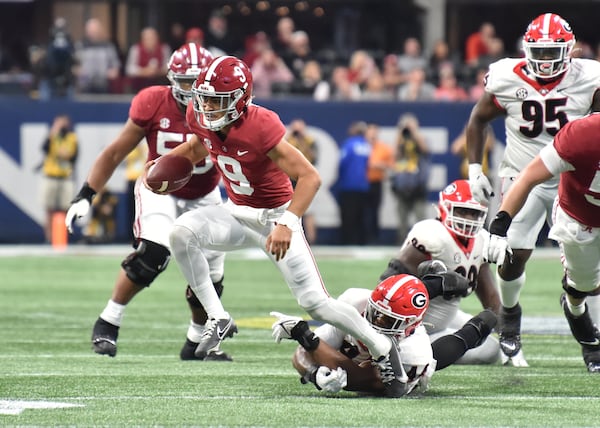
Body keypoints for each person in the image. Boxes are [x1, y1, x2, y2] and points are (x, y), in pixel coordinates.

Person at [152, 55, 399, 372]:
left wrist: (288, 222)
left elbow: (311, 176)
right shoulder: (200, 117)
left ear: (239, 100)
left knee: (316, 304)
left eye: (217, 101)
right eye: (205, 100)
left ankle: (382, 348)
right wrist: (161, 165)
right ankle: (217, 316)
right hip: (237, 213)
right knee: (181, 233)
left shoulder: (260, 124)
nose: (207, 108)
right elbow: (197, 147)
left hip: (274, 218)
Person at [65, 43, 229, 361]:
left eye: (198, 82)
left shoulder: (225, 109)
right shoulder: (153, 102)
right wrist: (86, 194)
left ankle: (196, 341)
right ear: (171, 79)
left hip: (205, 194)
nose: (192, 90)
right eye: (185, 81)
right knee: (153, 252)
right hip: (160, 188)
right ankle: (108, 321)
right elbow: (115, 152)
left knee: (210, 275)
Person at [466, 13, 600, 367]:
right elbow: (478, 119)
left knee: (588, 273)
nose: (543, 60)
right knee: (512, 257)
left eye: (549, 53)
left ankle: (588, 326)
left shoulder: (589, 78)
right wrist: (474, 167)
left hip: (572, 179)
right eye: (536, 52)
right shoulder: (508, 77)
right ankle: (509, 314)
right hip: (523, 174)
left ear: (568, 51)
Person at [485, 112, 600, 373]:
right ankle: (573, 305)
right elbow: (528, 177)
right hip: (580, 220)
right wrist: (501, 222)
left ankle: (593, 341)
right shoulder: (582, 134)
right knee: (584, 285)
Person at [270, 267, 497, 397]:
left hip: (403, 374)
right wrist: (312, 371)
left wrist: (307, 339)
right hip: (393, 319)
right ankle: (438, 282)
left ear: (409, 324)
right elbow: (301, 354)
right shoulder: (355, 301)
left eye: (387, 319)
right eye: (375, 311)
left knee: (437, 357)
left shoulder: (414, 351)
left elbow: (366, 381)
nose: (377, 319)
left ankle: (474, 330)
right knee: (398, 298)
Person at [379, 180, 502, 365]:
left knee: (492, 348)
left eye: (474, 213)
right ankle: (422, 354)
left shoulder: (481, 240)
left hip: (447, 317)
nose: (468, 218)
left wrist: (509, 333)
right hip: (415, 325)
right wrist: (438, 284)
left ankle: (435, 351)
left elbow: (491, 299)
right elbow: (389, 283)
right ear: (445, 209)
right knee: (417, 357)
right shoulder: (432, 234)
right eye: (462, 211)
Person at [390, 113, 430, 244]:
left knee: (420, 219)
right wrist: (400, 133)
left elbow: (425, 150)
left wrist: (414, 132)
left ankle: (422, 244)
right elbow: (394, 155)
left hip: (418, 185)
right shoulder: (401, 141)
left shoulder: (420, 140)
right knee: (402, 220)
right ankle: (402, 245)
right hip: (402, 186)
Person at [40, 114, 78, 243]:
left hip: (65, 177)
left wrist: (65, 155)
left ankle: (64, 237)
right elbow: (44, 149)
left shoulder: (72, 138)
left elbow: (75, 158)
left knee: (67, 209)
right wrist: (53, 132)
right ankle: (49, 238)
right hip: (50, 176)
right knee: (49, 209)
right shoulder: (52, 137)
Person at [334, 121, 371, 245]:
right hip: (363, 186)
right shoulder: (367, 146)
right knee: (362, 216)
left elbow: (342, 163)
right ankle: (362, 241)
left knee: (348, 216)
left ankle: (348, 241)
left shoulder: (349, 144)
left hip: (348, 185)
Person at [286, 118, 318, 244]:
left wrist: (302, 141)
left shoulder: (309, 141)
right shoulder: (287, 141)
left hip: (305, 179)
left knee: (309, 211)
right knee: (287, 210)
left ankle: (312, 241)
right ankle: (288, 239)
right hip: (289, 179)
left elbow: (314, 159)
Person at [74, 18, 121, 94]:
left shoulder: (108, 46)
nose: (93, 32)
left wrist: (108, 73)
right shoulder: (80, 46)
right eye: (91, 30)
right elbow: (74, 67)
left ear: (100, 30)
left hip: (104, 87)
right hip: (84, 87)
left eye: (95, 29)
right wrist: (80, 71)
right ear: (86, 31)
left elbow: (115, 69)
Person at [365, 123, 394, 244]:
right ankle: (363, 237)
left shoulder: (383, 148)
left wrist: (379, 165)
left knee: (375, 211)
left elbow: (391, 165)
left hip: (376, 182)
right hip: (362, 183)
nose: (372, 134)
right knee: (363, 211)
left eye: (374, 132)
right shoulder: (361, 146)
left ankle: (374, 238)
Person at [125, 27, 171, 93]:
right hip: (140, 86)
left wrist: (158, 71)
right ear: (142, 40)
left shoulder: (164, 49)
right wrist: (144, 71)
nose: (150, 41)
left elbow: (169, 67)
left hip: (160, 85)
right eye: (147, 39)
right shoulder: (136, 49)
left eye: (152, 38)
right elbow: (129, 69)